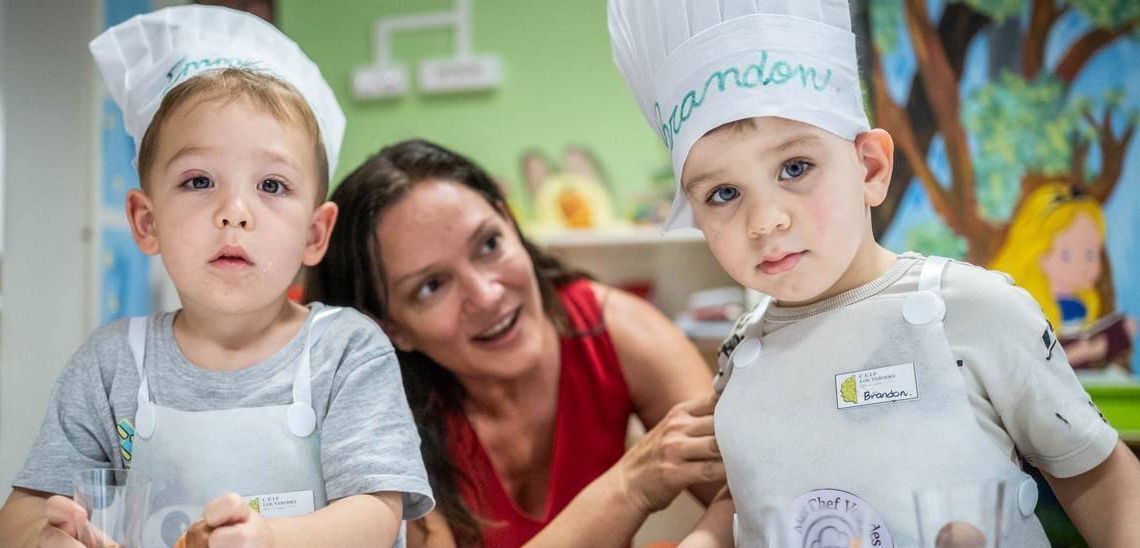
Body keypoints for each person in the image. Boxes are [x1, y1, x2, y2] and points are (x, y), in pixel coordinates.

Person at [607, 0, 1140, 546]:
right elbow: (750, 494)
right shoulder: (740, 350)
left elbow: (1103, 481)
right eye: (724, 193)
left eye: (795, 168)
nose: (765, 221)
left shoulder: (976, 310)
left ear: (870, 168)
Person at [0, 6, 432, 547]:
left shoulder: (346, 351)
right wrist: (45, 537)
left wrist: (270, 540)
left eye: (272, 185)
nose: (234, 211)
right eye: (198, 180)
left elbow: (374, 516)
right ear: (146, 221)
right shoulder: (111, 367)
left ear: (316, 234)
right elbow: (23, 508)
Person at [310, 139, 727, 547]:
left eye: (489, 244)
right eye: (432, 286)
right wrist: (628, 487)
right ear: (389, 328)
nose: (487, 295)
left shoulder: (615, 329)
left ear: (511, 223)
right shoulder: (381, 419)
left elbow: (754, 497)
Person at [989, 182, 1137, 370]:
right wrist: (1092, 349)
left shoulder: (1079, 307)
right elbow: (1037, 364)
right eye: (1066, 255)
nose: (1083, 266)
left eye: (1091, 254)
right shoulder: (1023, 307)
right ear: (1036, 252)